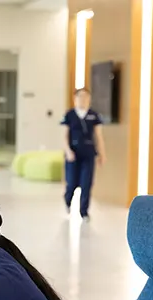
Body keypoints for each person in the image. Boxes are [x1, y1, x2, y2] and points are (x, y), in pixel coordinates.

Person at [61, 88, 106, 221]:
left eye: (86, 97)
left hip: (88, 153)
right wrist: (68, 151)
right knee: (72, 183)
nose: (83, 100)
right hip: (73, 154)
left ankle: (84, 212)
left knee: (86, 183)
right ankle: (67, 200)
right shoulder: (69, 115)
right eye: (80, 97)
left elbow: (99, 136)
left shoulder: (94, 116)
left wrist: (102, 154)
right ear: (75, 99)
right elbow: (64, 136)